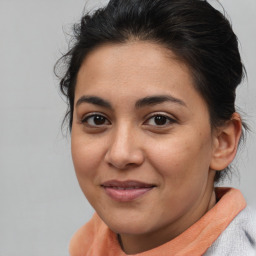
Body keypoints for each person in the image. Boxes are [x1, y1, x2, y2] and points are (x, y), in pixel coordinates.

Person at [55, 0, 256, 255]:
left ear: (223, 141)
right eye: (97, 119)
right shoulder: (87, 246)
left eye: (159, 120)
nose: (120, 154)